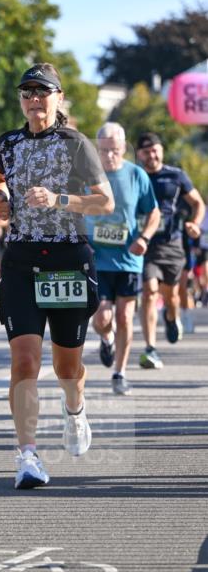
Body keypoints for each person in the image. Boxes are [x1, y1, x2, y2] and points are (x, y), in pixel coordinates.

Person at [0, 63, 114, 490]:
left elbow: (105, 203)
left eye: (42, 91)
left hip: (68, 259)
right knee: (24, 360)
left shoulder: (76, 144)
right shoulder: (7, 142)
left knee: (67, 367)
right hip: (22, 259)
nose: (34, 98)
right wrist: (1, 198)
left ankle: (75, 409)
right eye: (27, 91)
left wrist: (59, 199)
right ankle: (27, 455)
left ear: (58, 97)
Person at [89, 123, 160, 395]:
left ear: (124, 147)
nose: (109, 156)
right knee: (102, 319)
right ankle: (106, 338)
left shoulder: (136, 175)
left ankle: (120, 372)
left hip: (129, 259)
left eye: (115, 151)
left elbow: (153, 213)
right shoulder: (86, 176)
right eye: (104, 151)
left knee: (125, 316)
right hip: (97, 259)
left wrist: (144, 238)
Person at [135, 132, 205, 369]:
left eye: (155, 150)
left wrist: (195, 223)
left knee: (171, 296)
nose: (151, 155)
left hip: (172, 244)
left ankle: (172, 317)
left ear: (161, 151)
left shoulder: (176, 176)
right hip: (146, 244)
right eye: (146, 151)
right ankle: (150, 347)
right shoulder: (136, 176)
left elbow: (198, 203)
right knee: (148, 292)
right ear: (139, 154)